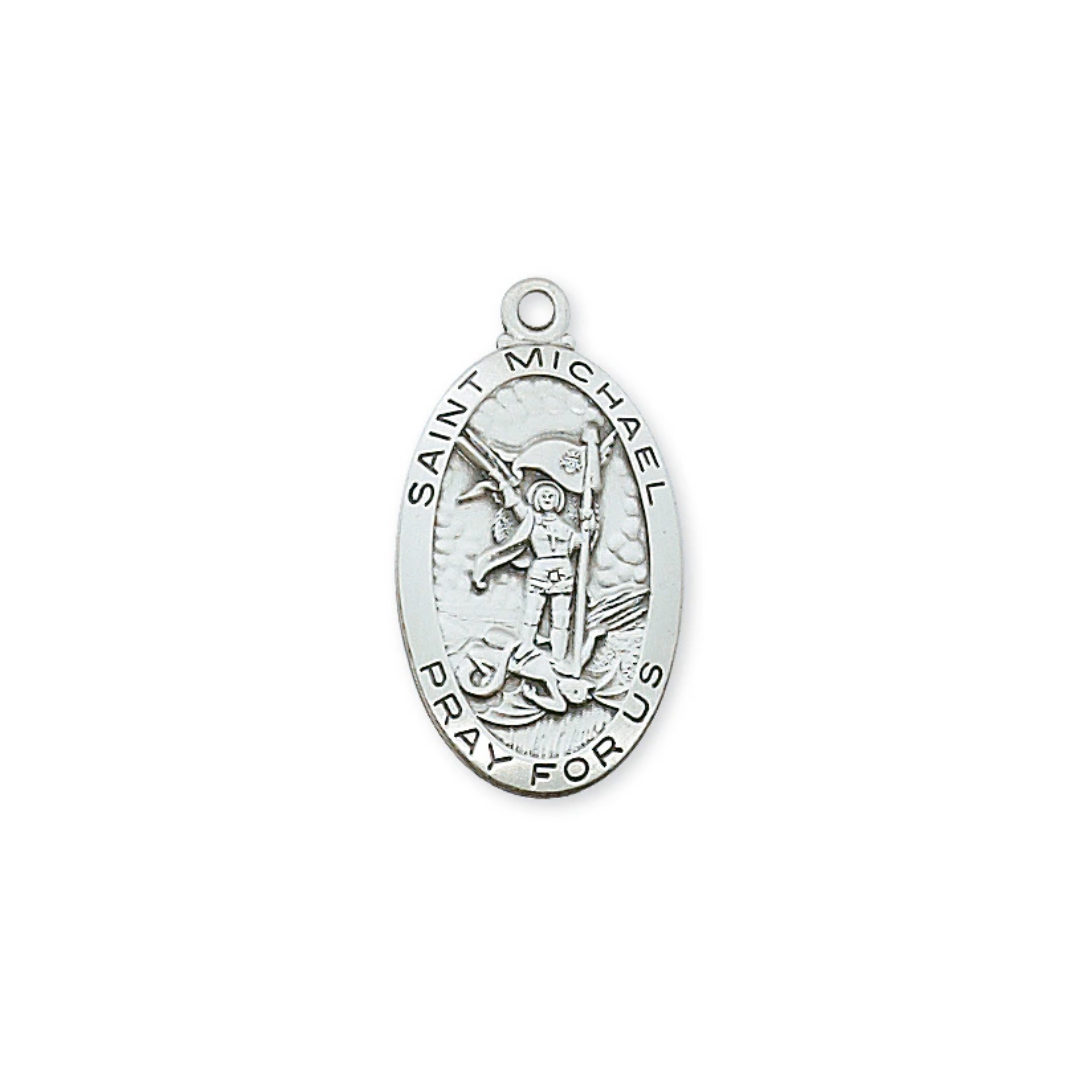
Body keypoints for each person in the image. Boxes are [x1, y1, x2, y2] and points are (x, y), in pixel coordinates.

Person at [471, 478, 595, 663]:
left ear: (558, 501)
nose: (547, 498)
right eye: (544, 495)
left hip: (562, 570)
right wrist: (504, 485)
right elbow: (515, 504)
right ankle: (527, 645)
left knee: (561, 615)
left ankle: (559, 656)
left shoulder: (566, 529)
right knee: (532, 612)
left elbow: (584, 543)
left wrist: (589, 524)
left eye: (551, 495)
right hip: (540, 569)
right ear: (536, 499)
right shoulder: (532, 520)